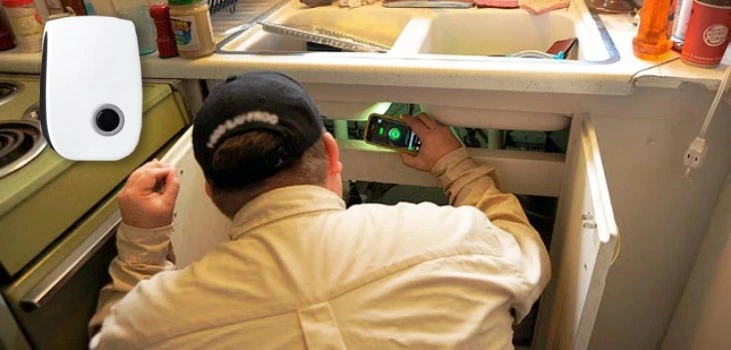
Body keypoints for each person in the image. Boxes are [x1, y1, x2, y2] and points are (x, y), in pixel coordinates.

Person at [89, 71, 550, 349]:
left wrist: (141, 248)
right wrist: (455, 165)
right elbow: (526, 248)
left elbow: (111, 337)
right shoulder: (458, 238)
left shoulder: (151, 322)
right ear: (332, 154)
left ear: (208, 192)